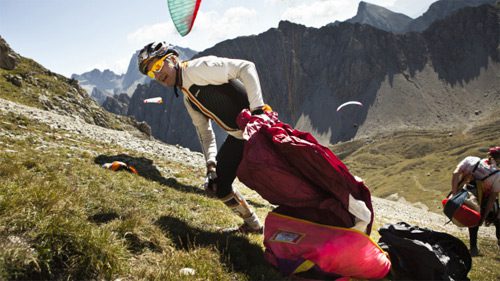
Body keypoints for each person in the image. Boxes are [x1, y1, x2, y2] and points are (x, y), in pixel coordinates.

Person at [137, 41, 268, 234]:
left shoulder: (198, 69)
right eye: (151, 73)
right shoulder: (188, 97)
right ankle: (254, 226)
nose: (157, 75)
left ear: (172, 58)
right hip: (239, 137)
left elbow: (246, 67)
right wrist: (211, 164)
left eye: (157, 66)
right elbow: (205, 133)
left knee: (278, 179)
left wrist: (257, 111)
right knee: (218, 186)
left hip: (259, 130)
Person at [450, 146, 500, 256]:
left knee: (472, 219)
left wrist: (454, 195)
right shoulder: (497, 175)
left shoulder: (471, 160)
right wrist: (483, 217)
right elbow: (492, 197)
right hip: (482, 201)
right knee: (497, 218)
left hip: (462, 195)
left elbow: (455, 173)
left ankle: (473, 248)